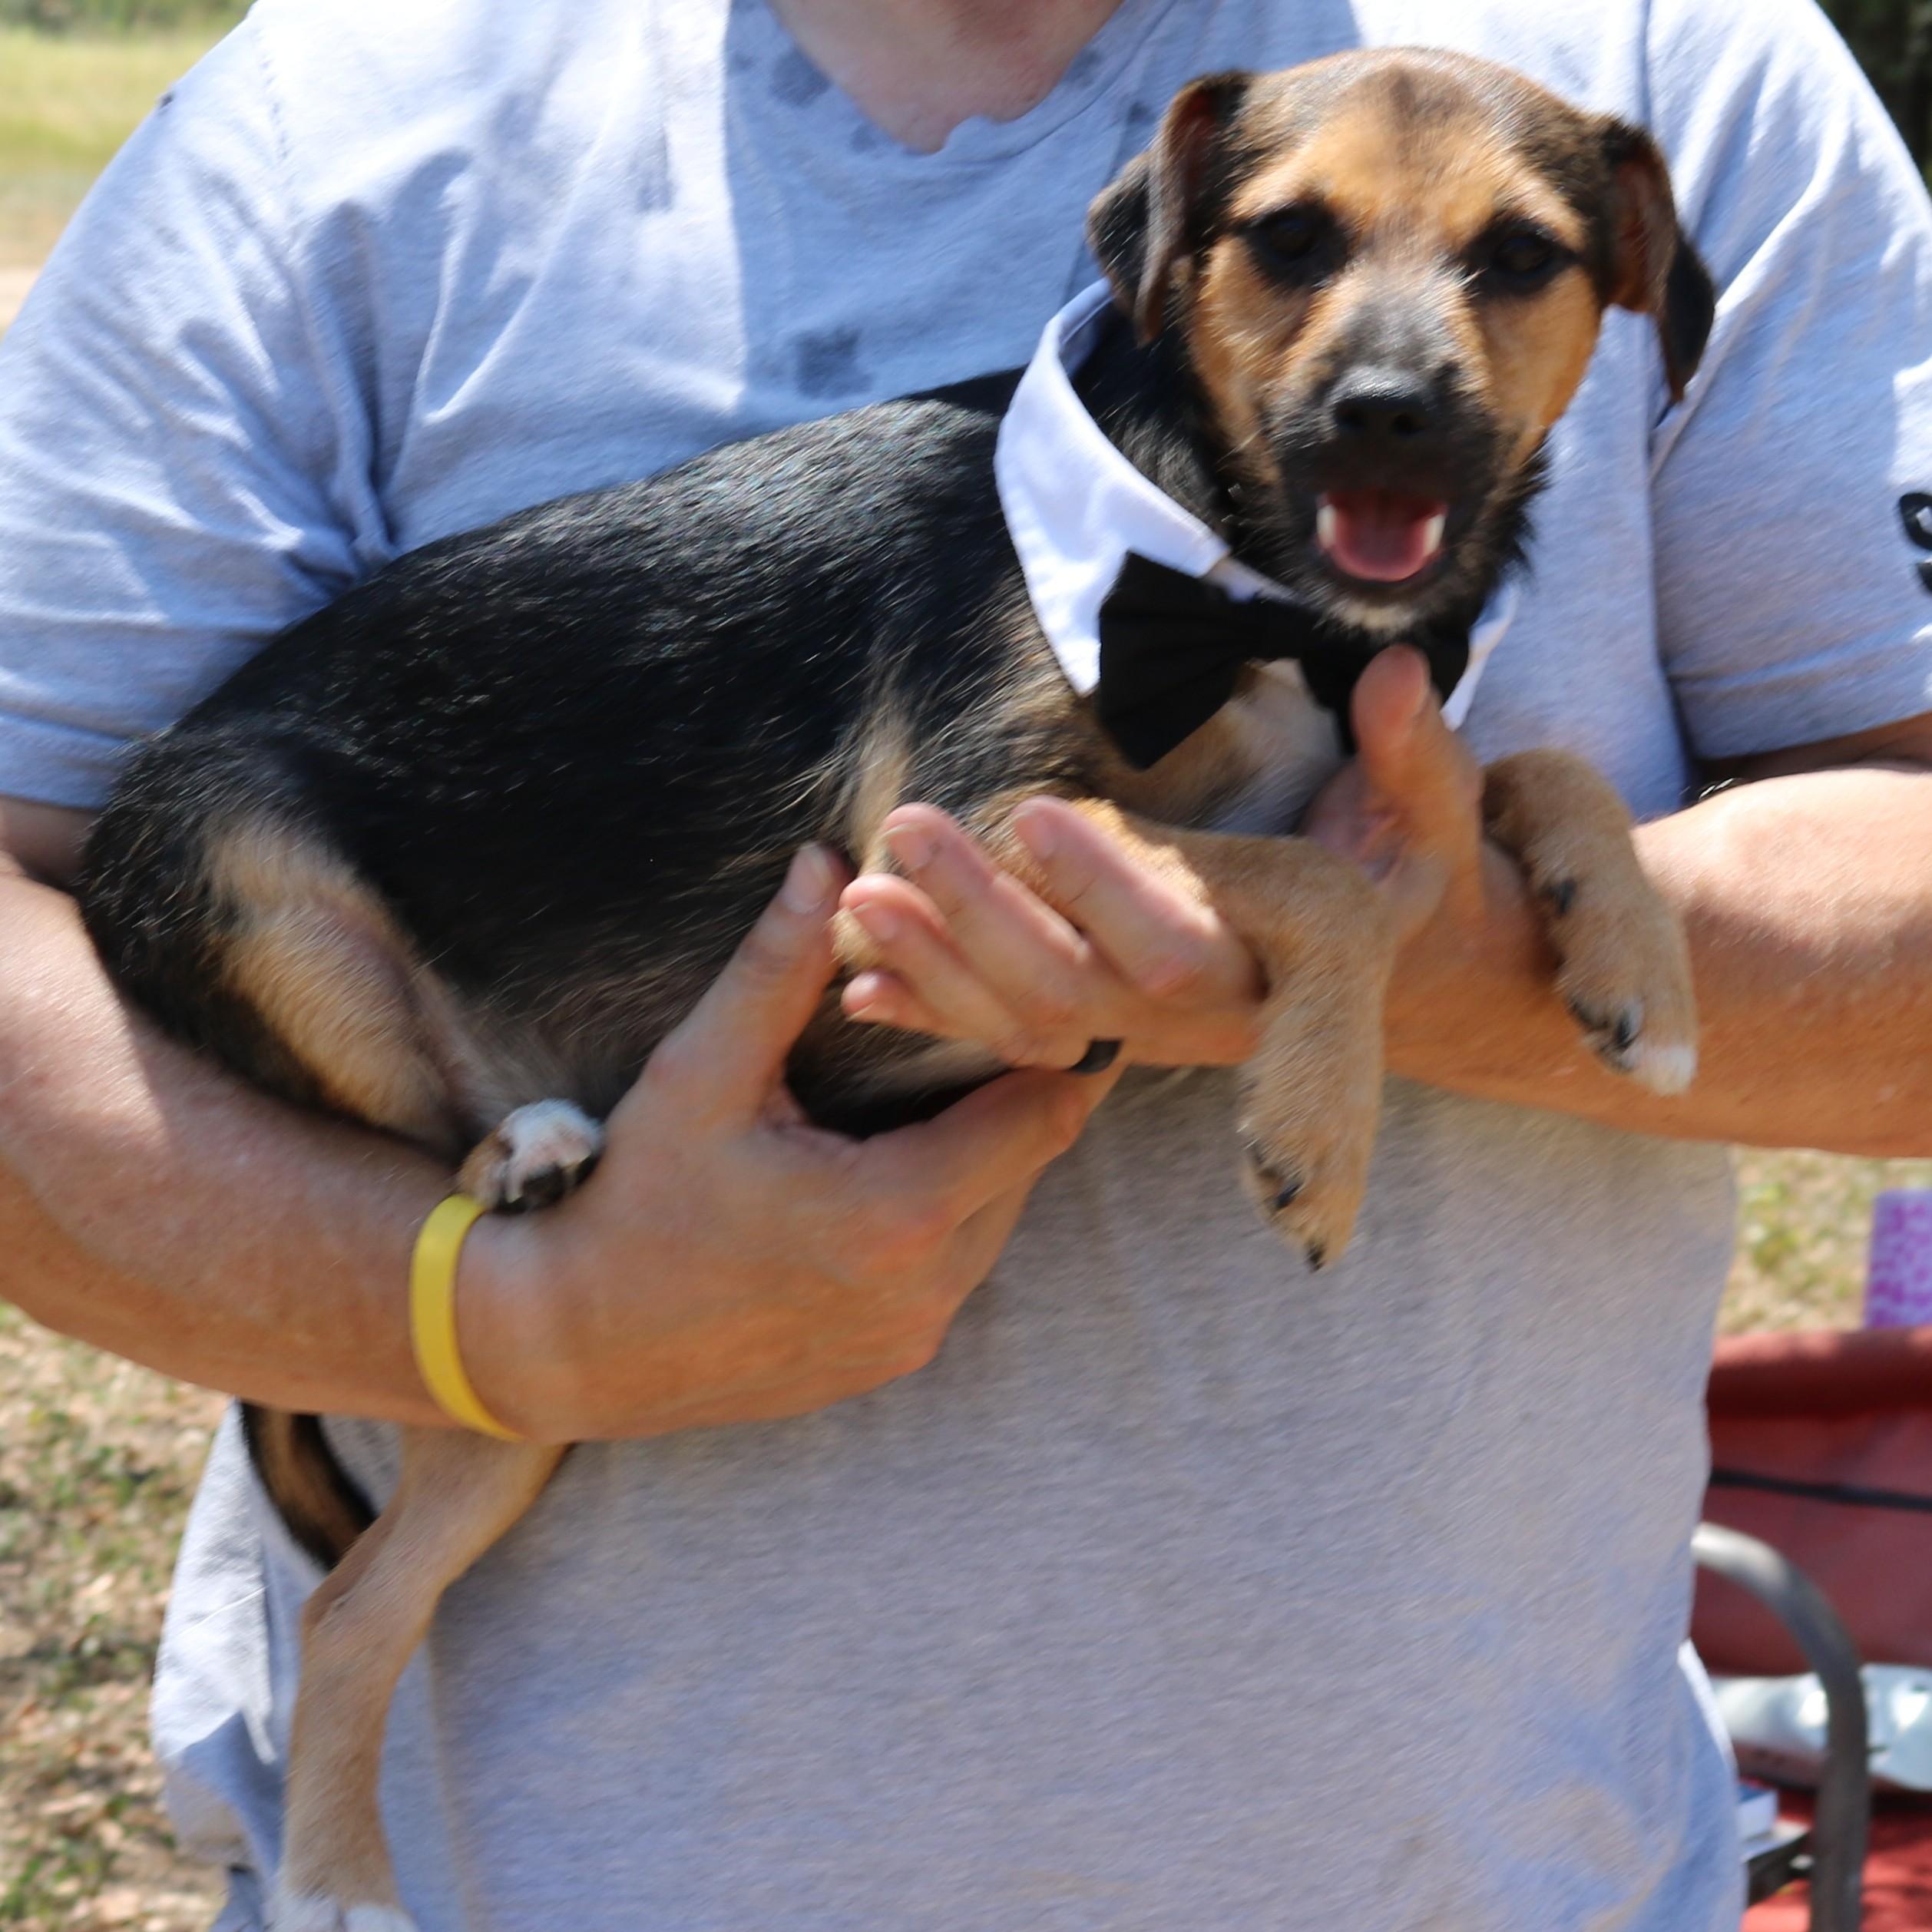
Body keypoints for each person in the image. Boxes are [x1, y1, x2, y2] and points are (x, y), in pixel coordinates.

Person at [2, 0, 1930, 1924]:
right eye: (1293, 243)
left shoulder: (1681, 57)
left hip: (1494, 1872)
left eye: (1512, 261)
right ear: (1171, 264)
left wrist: (1450, 952)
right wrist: (504, 1318)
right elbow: (975, 838)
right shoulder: (326, 124)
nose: (1393, 351)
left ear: (1626, 289)